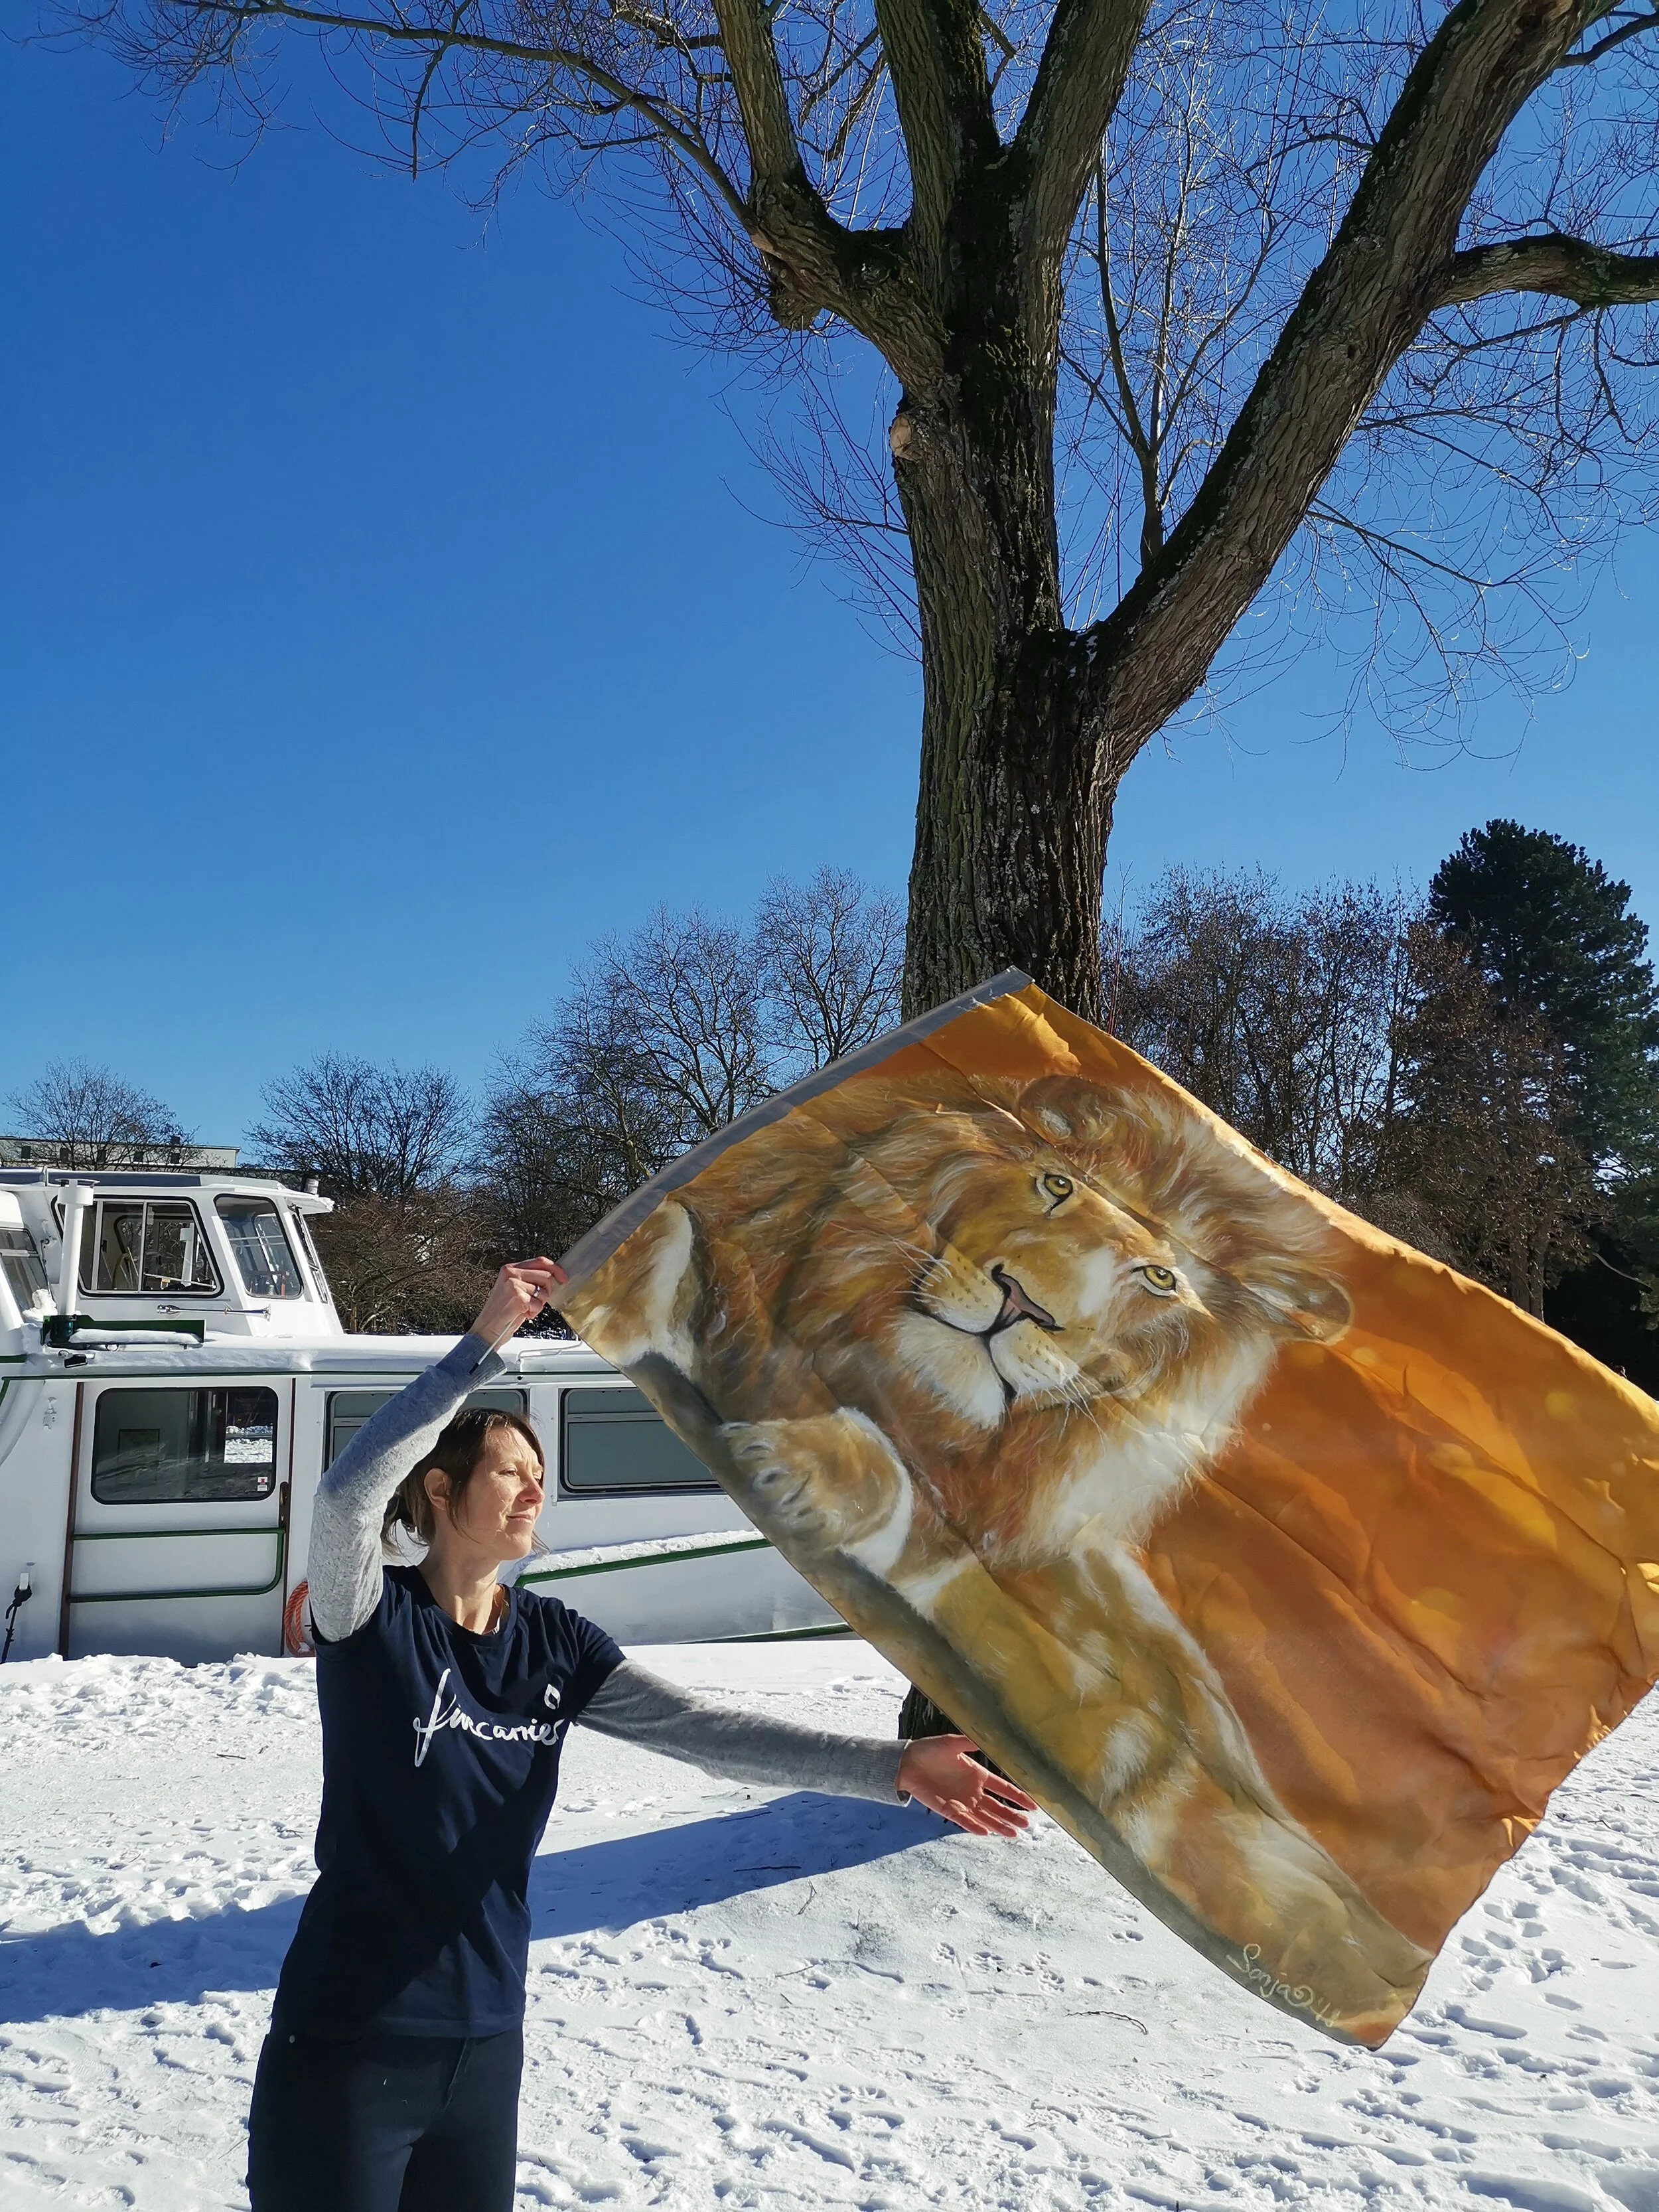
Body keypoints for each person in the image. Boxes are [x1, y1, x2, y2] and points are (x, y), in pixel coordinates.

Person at [247, 1258, 1035, 2212]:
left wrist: (893, 1766)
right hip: (347, 2037)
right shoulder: (373, 1620)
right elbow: (342, 1502)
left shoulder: (553, 1644)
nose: (536, 1492)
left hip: (486, 2040)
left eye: (541, 1477)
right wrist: (482, 1344)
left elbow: (703, 1733)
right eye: (510, 1473)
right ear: (443, 1493)